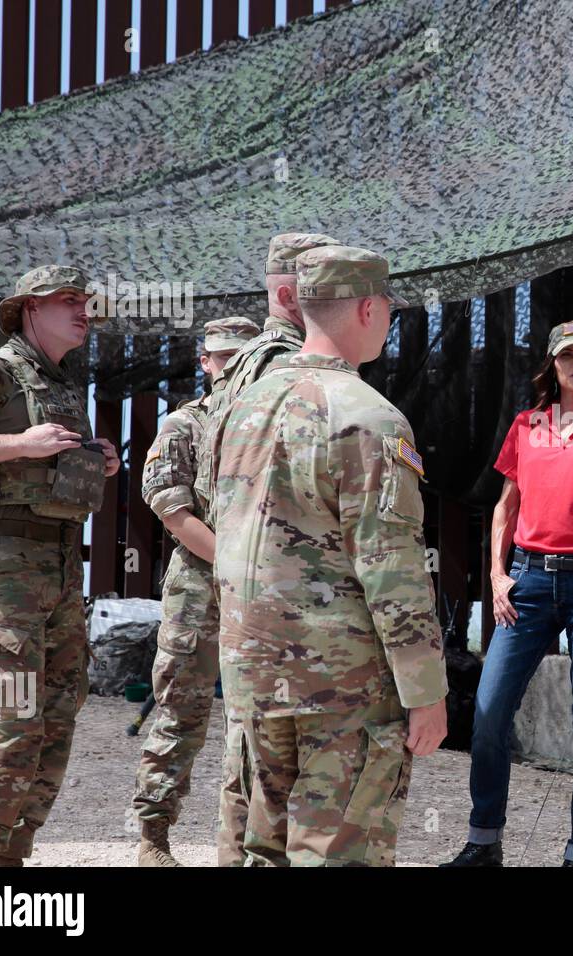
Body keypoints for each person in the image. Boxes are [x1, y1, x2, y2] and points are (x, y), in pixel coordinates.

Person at [212, 245, 448, 866]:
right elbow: (391, 568)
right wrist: (426, 689)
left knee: (261, 850)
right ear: (368, 308)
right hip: (342, 687)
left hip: (252, 674)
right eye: (388, 307)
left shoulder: (241, 405)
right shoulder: (368, 417)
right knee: (338, 851)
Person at [444, 321, 573, 868]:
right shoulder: (526, 424)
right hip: (527, 584)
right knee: (488, 713)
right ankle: (483, 842)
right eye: (566, 356)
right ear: (553, 366)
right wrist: (496, 574)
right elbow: (504, 509)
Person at [0, 266, 120, 866]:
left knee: (54, 733)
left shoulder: (63, 383)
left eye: (86, 301)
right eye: (68, 300)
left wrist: (96, 460)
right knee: (10, 733)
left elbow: (49, 468)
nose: (83, 309)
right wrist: (19, 444)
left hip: (61, 578)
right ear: (29, 311)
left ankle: (7, 869)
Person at [195, 231, 342, 864]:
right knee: (265, 774)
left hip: (251, 579)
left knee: (253, 762)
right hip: (273, 585)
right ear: (289, 293)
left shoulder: (256, 361)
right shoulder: (280, 360)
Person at [132, 316, 261, 867]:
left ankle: (248, 843)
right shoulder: (186, 425)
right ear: (204, 363)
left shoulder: (270, 423)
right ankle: (153, 837)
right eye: (220, 358)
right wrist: (238, 566)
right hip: (202, 587)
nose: (229, 366)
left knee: (256, 716)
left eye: (240, 357)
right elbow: (172, 510)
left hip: (260, 588)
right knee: (181, 708)